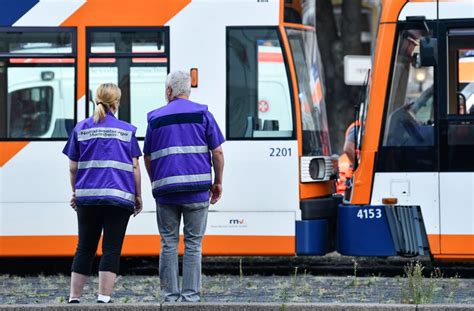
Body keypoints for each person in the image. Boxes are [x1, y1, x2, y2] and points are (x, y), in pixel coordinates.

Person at [143, 70, 225, 302]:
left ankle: (169, 297)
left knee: (168, 242)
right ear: (187, 91)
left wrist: (155, 181)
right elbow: (217, 152)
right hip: (198, 192)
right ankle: (191, 297)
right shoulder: (203, 114)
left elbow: (147, 156)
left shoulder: (155, 118)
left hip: (166, 192)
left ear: (169, 91)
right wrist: (218, 182)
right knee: (193, 244)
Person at [62, 83, 143, 304]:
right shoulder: (127, 130)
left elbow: (72, 167)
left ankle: (74, 297)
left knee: (85, 247)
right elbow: (135, 167)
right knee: (111, 248)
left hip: (87, 198)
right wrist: (138, 196)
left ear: (95, 100)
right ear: (116, 102)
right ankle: (104, 297)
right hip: (119, 198)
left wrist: (75, 192)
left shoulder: (81, 129)